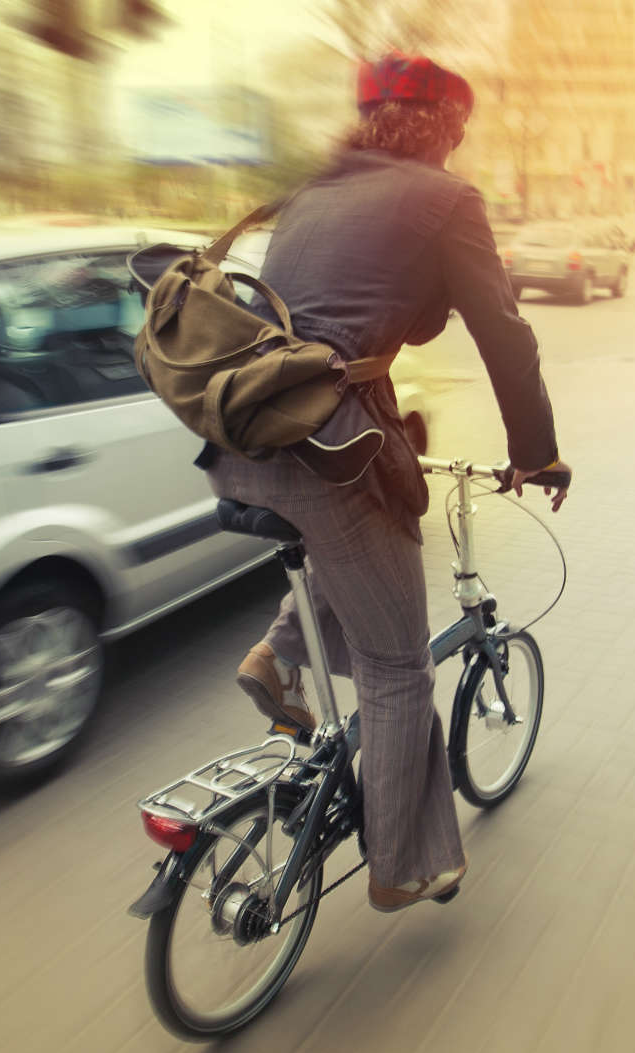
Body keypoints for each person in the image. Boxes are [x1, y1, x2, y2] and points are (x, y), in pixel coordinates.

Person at [205, 51, 569, 914]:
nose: (461, 142)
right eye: (461, 127)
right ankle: (406, 865)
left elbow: (364, 305)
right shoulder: (447, 200)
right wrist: (537, 451)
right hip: (332, 445)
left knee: (370, 529)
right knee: (399, 666)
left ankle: (279, 655)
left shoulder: (313, 193)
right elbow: (505, 337)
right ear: (441, 125)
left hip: (248, 440)